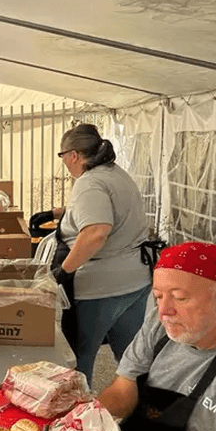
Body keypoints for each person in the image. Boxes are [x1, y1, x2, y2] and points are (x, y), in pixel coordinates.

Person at [98, 242, 216, 431]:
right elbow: (123, 389)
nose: (164, 312)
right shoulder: (160, 328)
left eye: (179, 297)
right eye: (158, 297)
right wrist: (83, 420)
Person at [41, 123, 151, 384]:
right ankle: (144, 414)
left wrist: (64, 271)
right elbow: (102, 210)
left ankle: (78, 418)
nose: (65, 164)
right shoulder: (115, 174)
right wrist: (56, 214)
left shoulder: (89, 183)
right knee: (131, 359)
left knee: (79, 359)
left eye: (63, 157)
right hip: (134, 281)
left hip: (100, 287)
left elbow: (96, 232)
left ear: (73, 155)